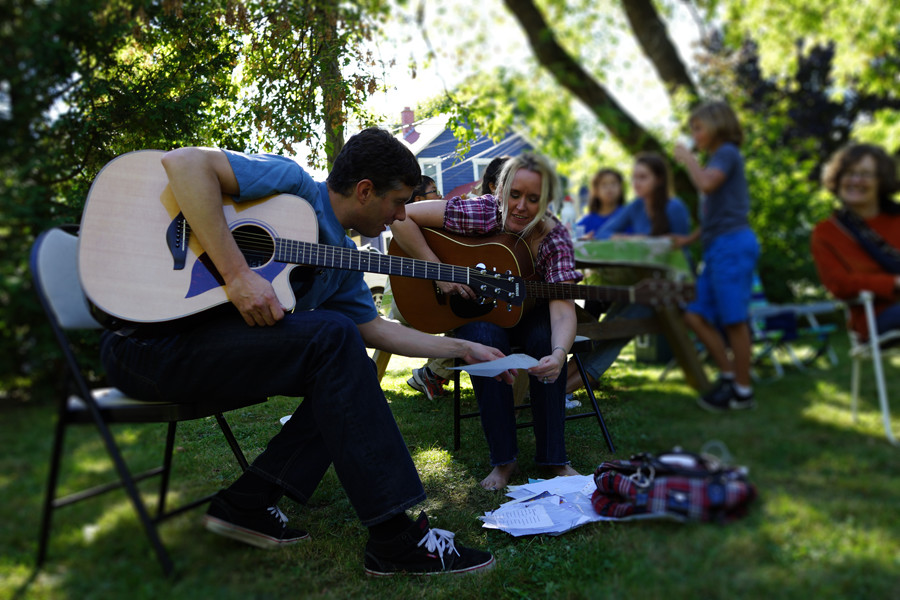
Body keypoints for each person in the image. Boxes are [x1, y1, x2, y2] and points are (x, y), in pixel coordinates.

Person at [99, 128, 511, 576]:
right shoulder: (291, 185)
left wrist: (463, 347)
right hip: (144, 343)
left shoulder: (342, 258)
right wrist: (237, 274)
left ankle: (248, 502)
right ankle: (395, 538)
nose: (399, 218)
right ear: (365, 190)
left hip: (204, 354)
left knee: (345, 357)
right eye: (397, 203)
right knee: (335, 337)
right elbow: (183, 162)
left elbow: (376, 330)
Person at [391, 153, 581, 491]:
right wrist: (439, 270)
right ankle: (503, 461)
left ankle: (555, 458)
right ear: (501, 190)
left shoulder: (553, 239)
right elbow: (400, 217)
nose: (521, 206)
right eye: (515, 195)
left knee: (545, 341)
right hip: (478, 312)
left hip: (530, 313)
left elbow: (563, 308)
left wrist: (559, 351)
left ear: (547, 200)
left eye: (533, 199)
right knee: (483, 340)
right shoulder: (481, 211)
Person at [564, 153, 692, 395]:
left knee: (617, 330)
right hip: (644, 285)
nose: (637, 184)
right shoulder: (636, 206)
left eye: (643, 177)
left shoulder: (674, 207)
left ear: (659, 179)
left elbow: (675, 245)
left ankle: (561, 391)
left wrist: (633, 238)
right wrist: (633, 237)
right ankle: (558, 388)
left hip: (673, 287)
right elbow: (603, 234)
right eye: (635, 178)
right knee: (610, 327)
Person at [672, 100, 760, 412]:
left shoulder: (726, 154)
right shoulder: (714, 160)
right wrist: (691, 238)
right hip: (716, 247)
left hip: (732, 245)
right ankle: (729, 376)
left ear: (717, 124)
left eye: (698, 127)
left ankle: (743, 391)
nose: (693, 134)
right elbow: (715, 215)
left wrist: (687, 159)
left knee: (734, 320)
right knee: (694, 314)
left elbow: (706, 184)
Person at [407, 156, 511, 401]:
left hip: (458, 297)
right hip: (422, 296)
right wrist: (440, 273)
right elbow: (401, 219)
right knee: (476, 317)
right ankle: (432, 374)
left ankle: (432, 374)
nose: (440, 195)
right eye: (434, 191)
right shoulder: (463, 215)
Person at [811, 143, 900, 340]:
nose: (856, 180)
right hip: (874, 316)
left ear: (881, 181)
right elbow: (838, 284)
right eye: (849, 173)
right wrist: (893, 283)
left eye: (866, 174)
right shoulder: (826, 232)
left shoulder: (896, 219)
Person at [575, 167, 627, 239]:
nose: (609, 188)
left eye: (614, 183)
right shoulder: (587, 221)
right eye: (604, 184)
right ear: (595, 190)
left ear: (621, 188)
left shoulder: (629, 216)